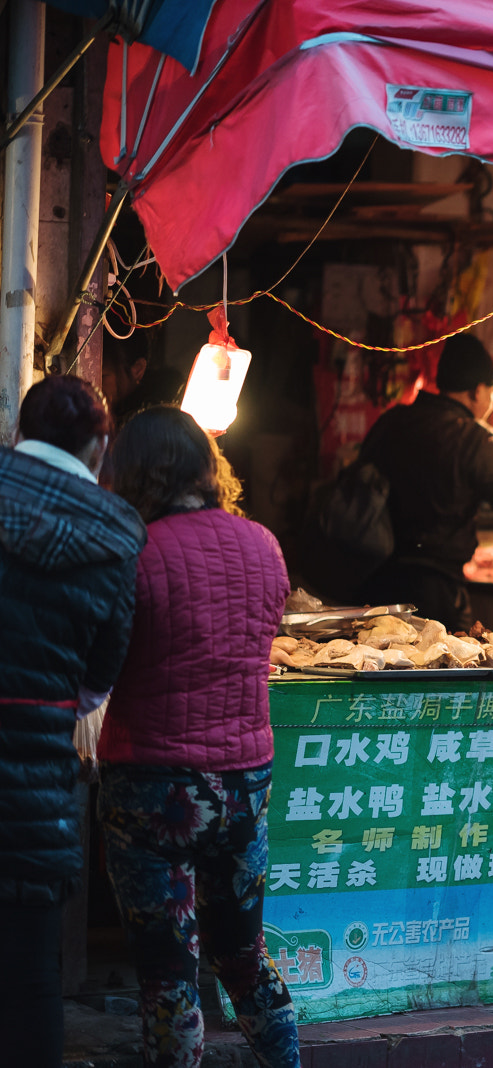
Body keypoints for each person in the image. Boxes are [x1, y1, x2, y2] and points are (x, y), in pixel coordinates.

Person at [100, 408, 300, 1068]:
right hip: (244, 784)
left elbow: (104, 666)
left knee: (168, 971)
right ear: (206, 470)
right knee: (242, 955)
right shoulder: (264, 546)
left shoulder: (133, 554)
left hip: (151, 784)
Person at [0, 376, 146, 1068]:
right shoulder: (119, 535)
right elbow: (98, 679)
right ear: (101, 446)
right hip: (34, 796)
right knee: (31, 981)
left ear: (18, 432)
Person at [356, 333, 493, 629]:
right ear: (478, 391)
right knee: (445, 665)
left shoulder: (392, 421)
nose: (491, 400)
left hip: (374, 578)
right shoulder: (472, 437)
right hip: (435, 586)